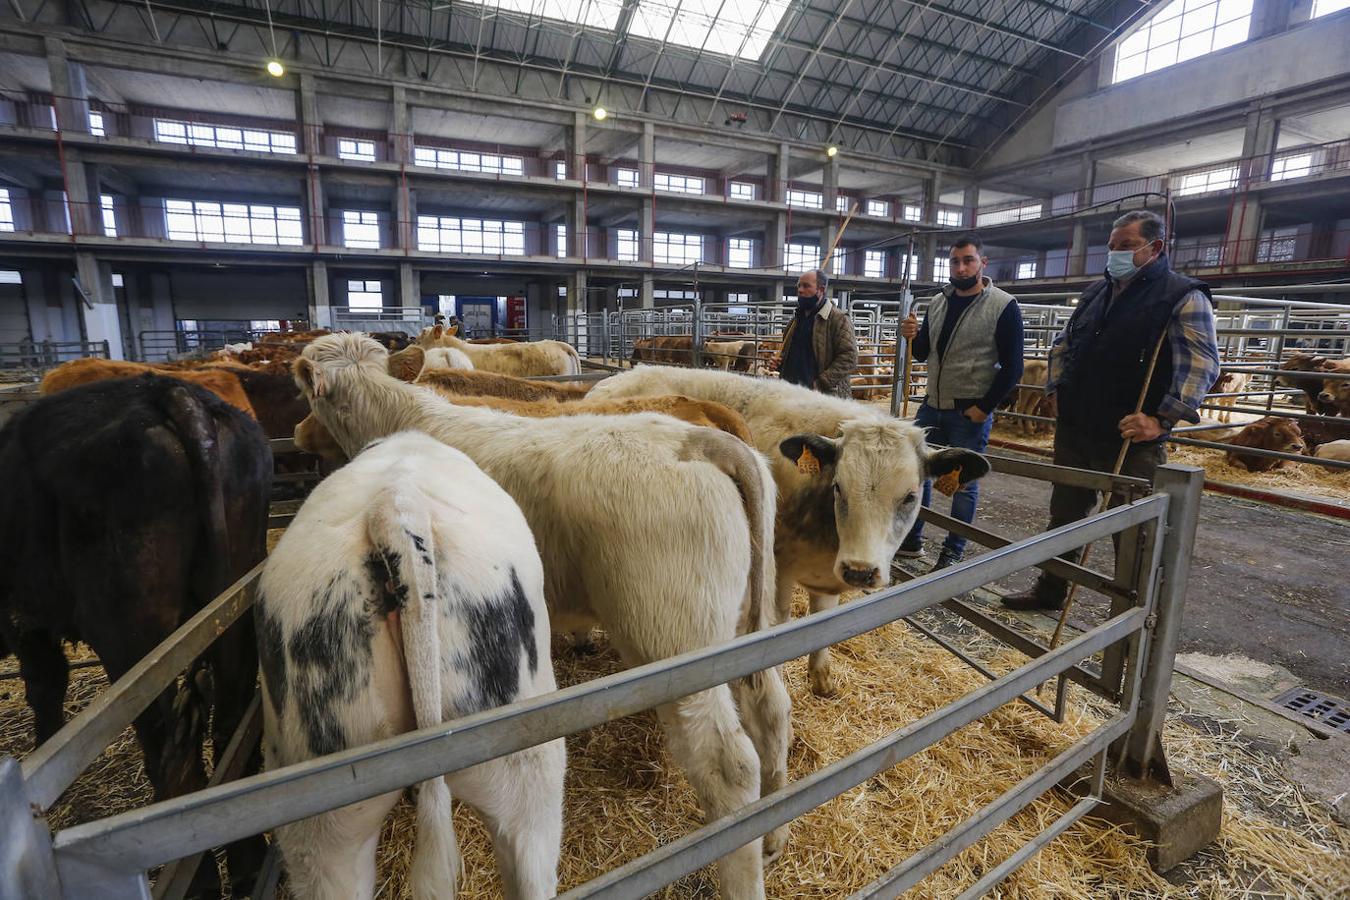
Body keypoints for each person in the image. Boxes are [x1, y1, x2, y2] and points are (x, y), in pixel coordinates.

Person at [1002, 209, 1220, 611]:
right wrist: (1056, 388)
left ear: (1154, 248)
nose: (1116, 254)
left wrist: (1162, 419)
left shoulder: (1181, 295)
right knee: (1064, 518)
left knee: (1133, 528)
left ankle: (1134, 610)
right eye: (1113, 246)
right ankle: (1050, 590)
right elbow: (1065, 344)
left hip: (1129, 437)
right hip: (1077, 429)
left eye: (1127, 246)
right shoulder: (1096, 293)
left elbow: (1201, 363)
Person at [896, 233, 1024, 571]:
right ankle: (911, 540)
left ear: (983, 263)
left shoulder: (1003, 305)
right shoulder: (938, 303)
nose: (961, 266)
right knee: (918, 474)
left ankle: (953, 551)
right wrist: (911, 335)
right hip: (932, 405)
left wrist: (984, 407)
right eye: (955, 261)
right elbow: (923, 352)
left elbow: (1014, 367)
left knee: (962, 483)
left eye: (968, 260)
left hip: (969, 410)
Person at [772, 268, 858, 398]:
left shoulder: (838, 319)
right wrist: (779, 363)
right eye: (799, 286)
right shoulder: (795, 321)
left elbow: (849, 357)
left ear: (821, 290)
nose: (800, 290)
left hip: (824, 397)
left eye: (806, 286)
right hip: (791, 393)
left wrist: (822, 383)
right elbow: (793, 356)